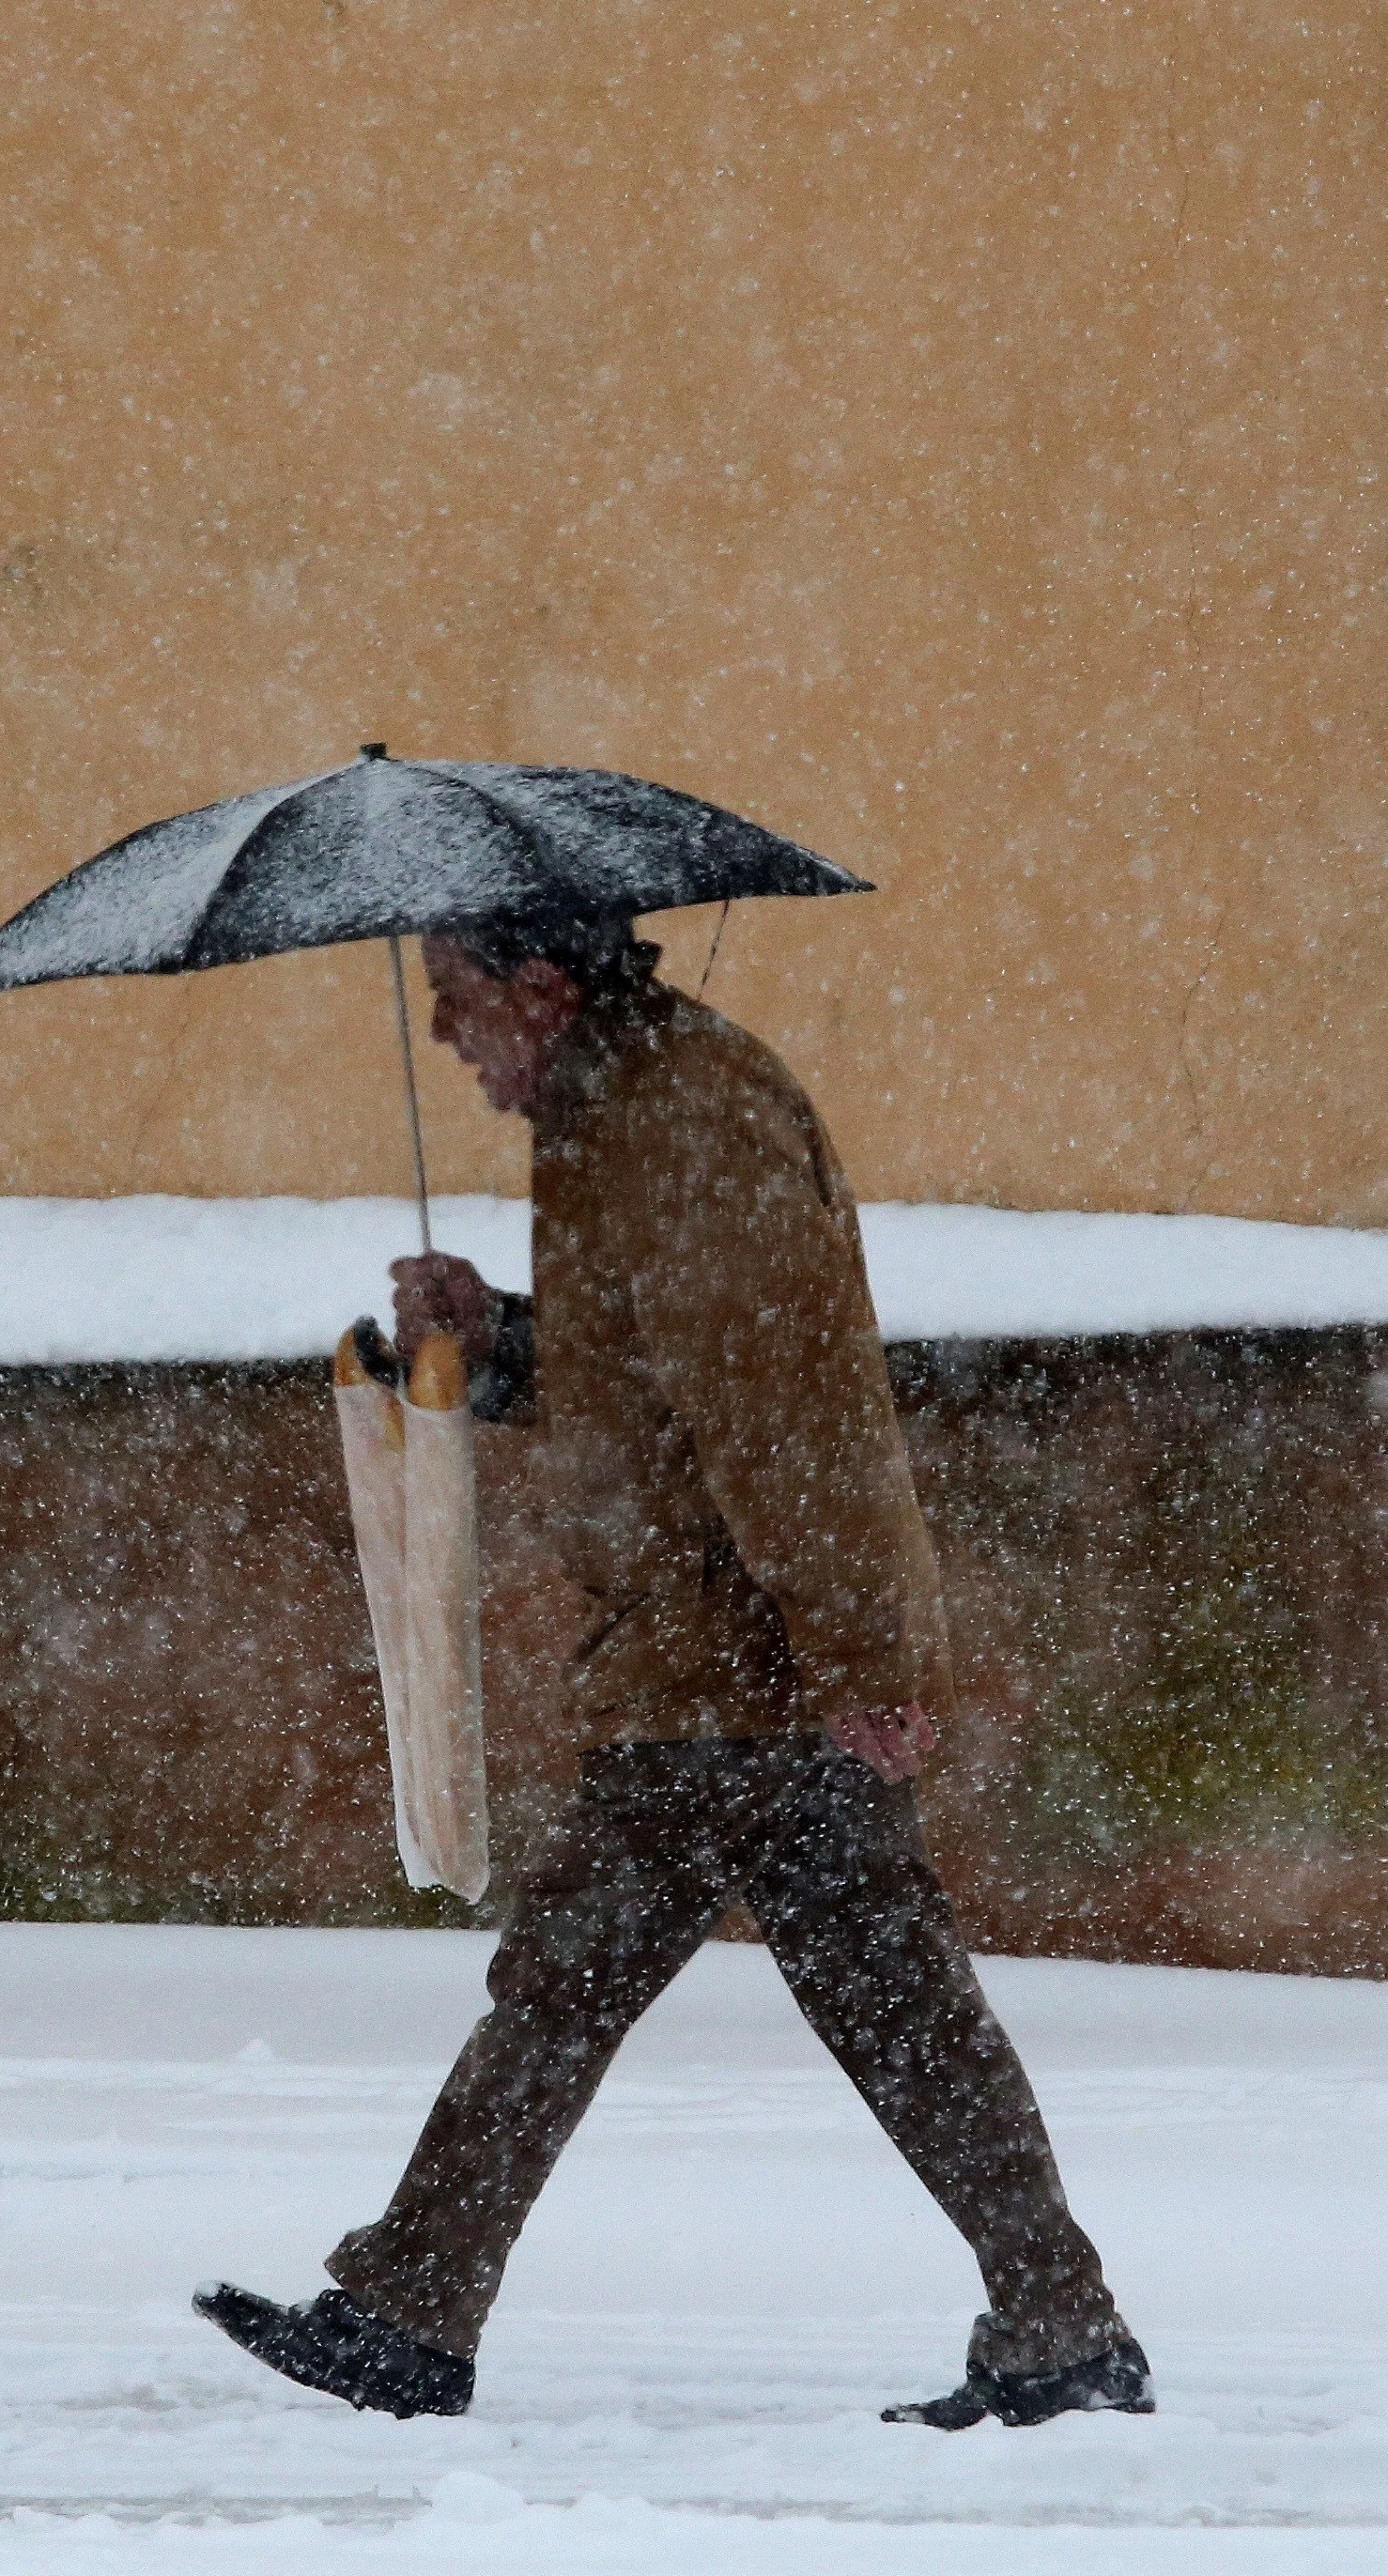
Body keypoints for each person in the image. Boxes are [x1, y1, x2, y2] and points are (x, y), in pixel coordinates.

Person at [193, 912, 1149, 2430]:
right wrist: (493, 1339)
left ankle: (409, 2311)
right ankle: (1058, 2325)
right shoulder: (627, 1113)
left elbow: (778, 1403)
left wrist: (853, 1652)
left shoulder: (680, 1117)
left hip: (735, 1661)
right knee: (875, 1999)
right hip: (722, 1646)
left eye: (457, 1001)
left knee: (587, 1986)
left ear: (544, 988)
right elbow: (651, 1367)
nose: (445, 1034)